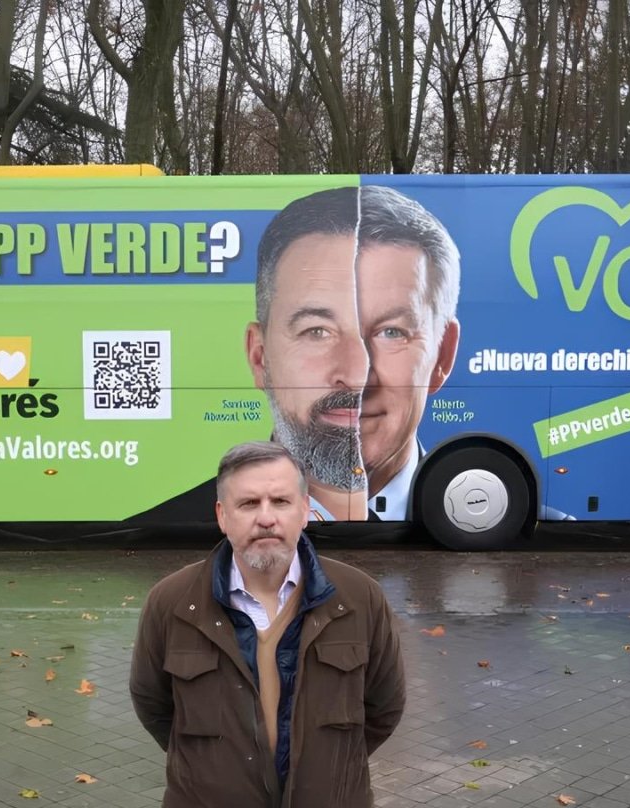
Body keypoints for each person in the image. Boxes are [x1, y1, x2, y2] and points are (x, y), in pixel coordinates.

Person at [135, 184, 460, 522]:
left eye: (391, 332)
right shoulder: (165, 524)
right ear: (260, 357)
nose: (356, 376)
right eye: (316, 331)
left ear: (443, 355)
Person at [129, 440, 406, 808]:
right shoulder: (172, 603)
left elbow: (384, 707)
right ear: (222, 516)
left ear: (305, 510)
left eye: (280, 501)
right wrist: (212, 766)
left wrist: (328, 768)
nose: (266, 518)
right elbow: (154, 704)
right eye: (248, 503)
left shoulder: (359, 598)